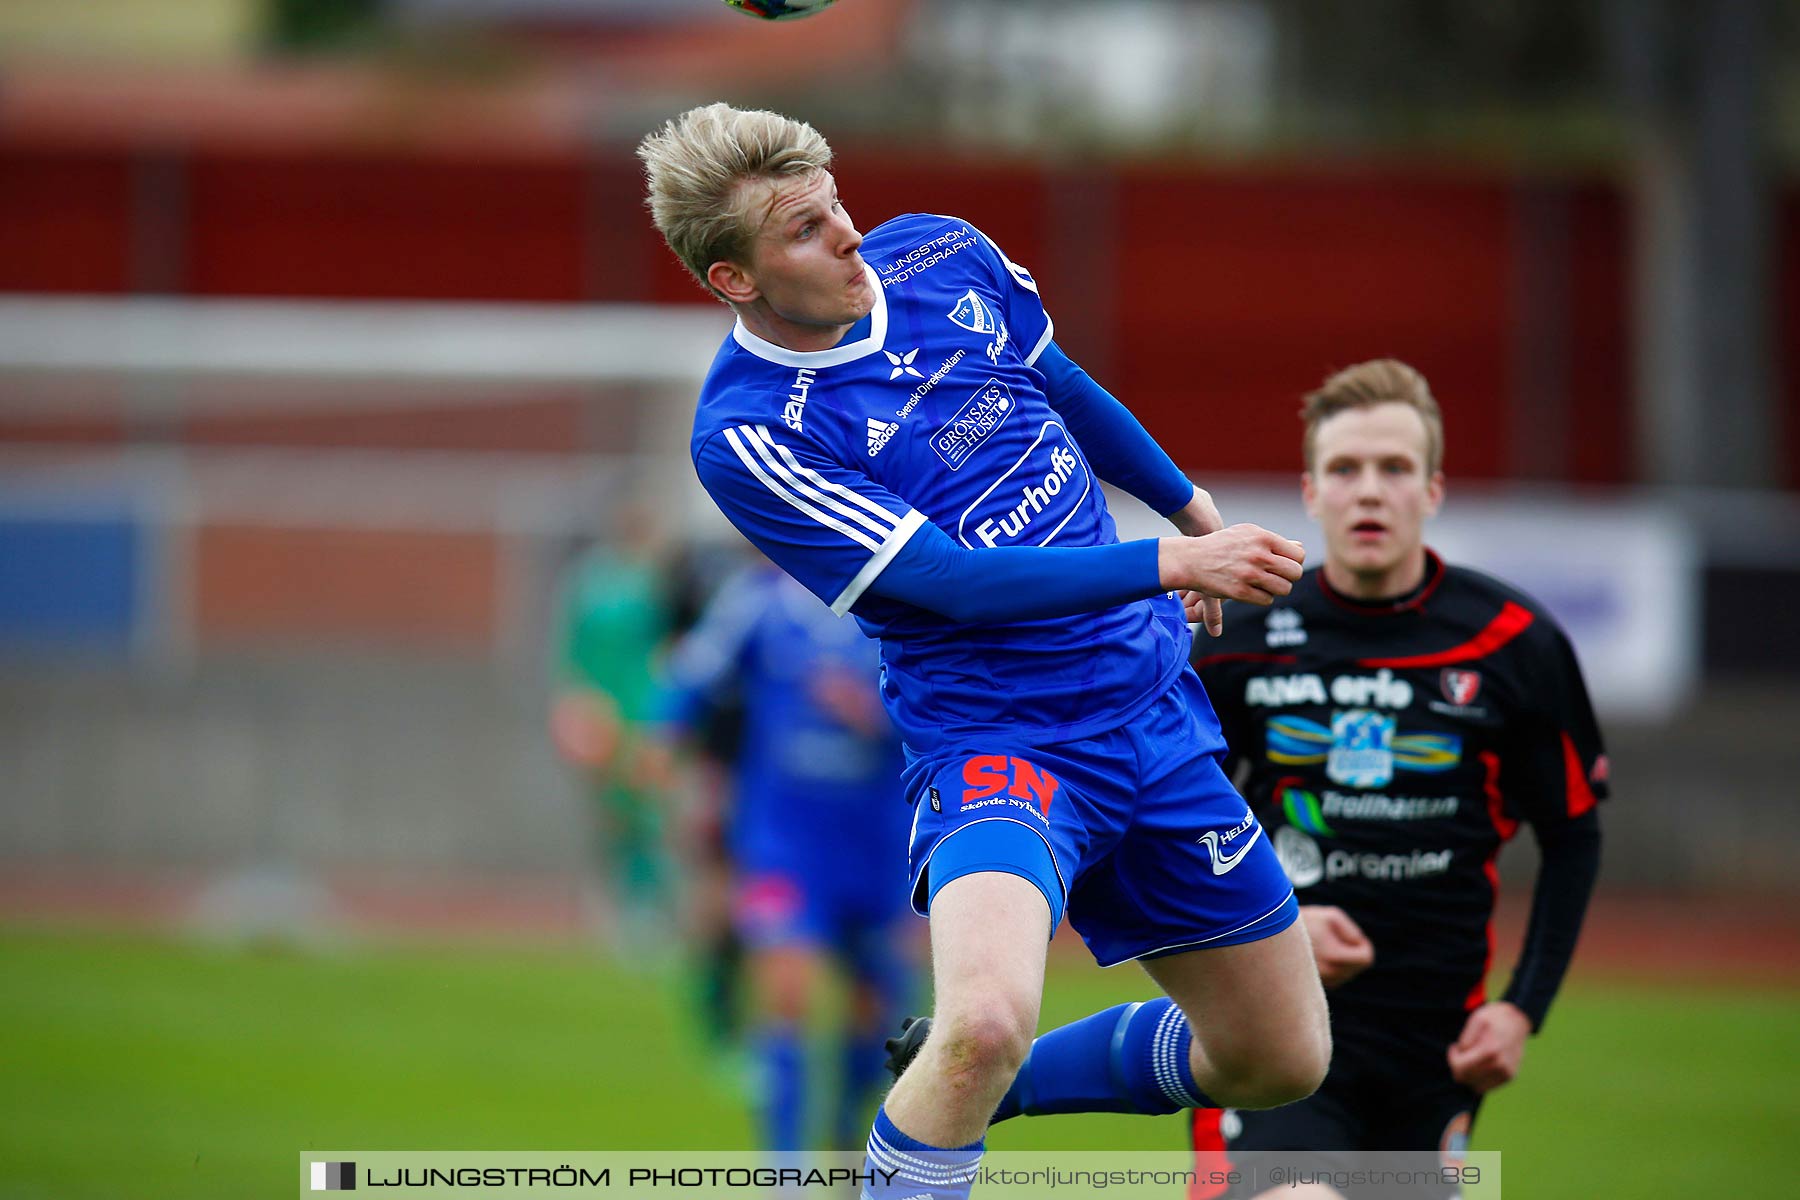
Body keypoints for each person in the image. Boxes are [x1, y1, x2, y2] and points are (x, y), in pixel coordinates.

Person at [638, 102, 1329, 1199]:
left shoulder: (941, 250)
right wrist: (1170, 564)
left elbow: (1065, 387)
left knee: (1281, 1057)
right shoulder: (751, 432)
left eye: (838, 205)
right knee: (986, 1017)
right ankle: (957, 1085)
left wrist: (1191, 511)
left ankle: (983, 1088)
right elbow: (949, 584)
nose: (850, 236)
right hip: (1001, 744)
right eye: (807, 232)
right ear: (736, 280)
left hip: (1148, 708)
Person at [1187, 360, 1607, 1199]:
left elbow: (1572, 835)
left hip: (1436, 1053)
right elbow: (1167, 828)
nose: (1369, 492)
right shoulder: (1242, 636)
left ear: (1434, 489)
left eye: (1394, 469)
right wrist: (1271, 925)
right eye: (1345, 470)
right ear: (1311, 492)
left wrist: (1522, 1008)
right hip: (1273, 1026)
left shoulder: (1512, 642)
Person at [659, 557, 919, 1152]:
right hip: (784, 842)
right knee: (787, 992)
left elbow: (950, 710)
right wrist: (663, 736)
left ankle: (845, 1134)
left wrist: (873, 713)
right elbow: (692, 675)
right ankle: (786, 1174)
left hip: (876, 844)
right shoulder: (756, 601)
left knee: (874, 1011)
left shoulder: (899, 601)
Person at [548, 521, 678, 952]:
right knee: (615, 810)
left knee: (647, 806)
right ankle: (623, 901)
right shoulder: (593, 581)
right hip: (604, 707)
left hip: (644, 707)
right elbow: (574, 650)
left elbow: (669, 645)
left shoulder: (655, 582)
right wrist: (574, 705)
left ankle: (650, 904)